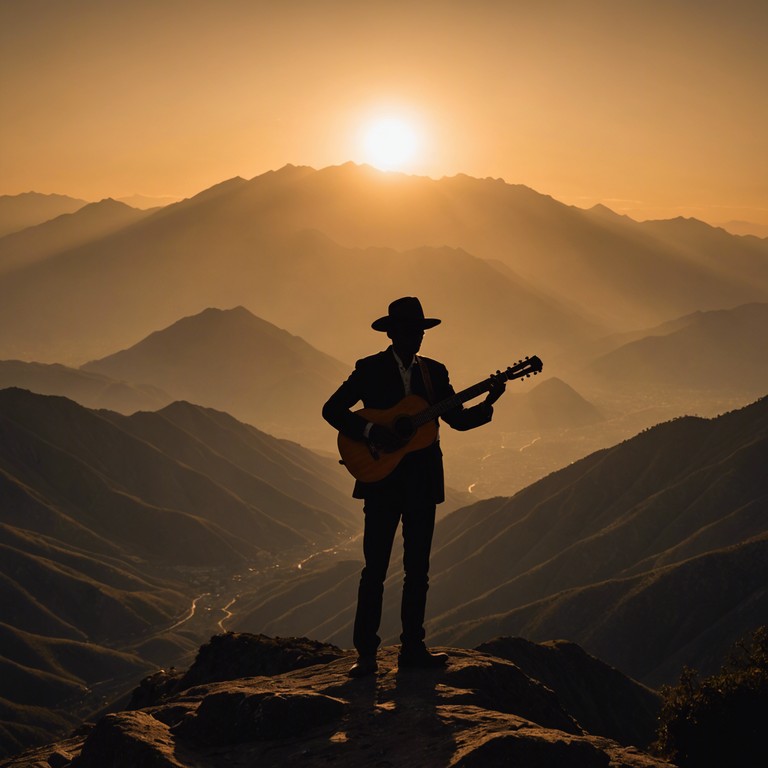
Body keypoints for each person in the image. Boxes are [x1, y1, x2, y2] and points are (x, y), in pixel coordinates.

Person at [322, 296, 506, 677]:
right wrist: (373, 431)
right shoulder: (369, 369)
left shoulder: (434, 373)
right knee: (374, 568)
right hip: (381, 478)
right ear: (393, 333)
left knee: (417, 569)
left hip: (422, 480)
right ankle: (367, 655)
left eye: (420, 332)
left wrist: (489, 401)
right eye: (410, 331)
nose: (417, 338)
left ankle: (413, 649)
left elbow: (455, 420)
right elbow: (333, 410)